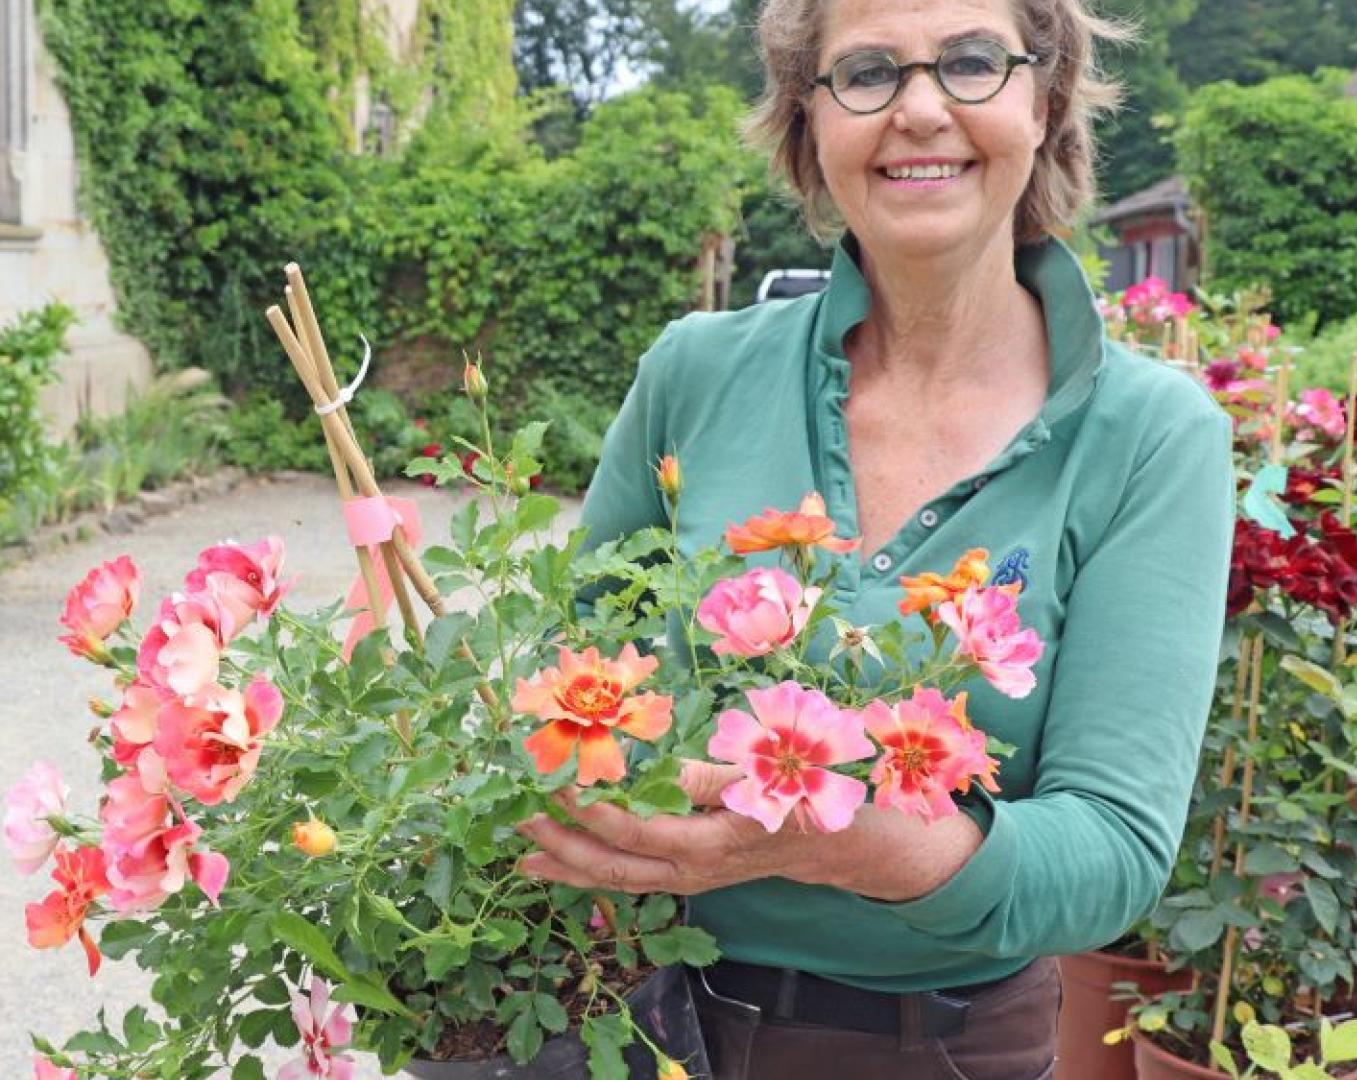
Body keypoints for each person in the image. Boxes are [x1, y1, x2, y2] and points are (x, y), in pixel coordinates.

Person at [513, 0, 1234, 1076]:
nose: (921, 109)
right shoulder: (694, 374)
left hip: (933, 1046)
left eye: (974, 63)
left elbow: (1114, 853)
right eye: (867, 72)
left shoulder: (1151, 435)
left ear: (1046, 100)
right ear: (811, 124)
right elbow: (567, 670)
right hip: (629, 1011)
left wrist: (855, 847)